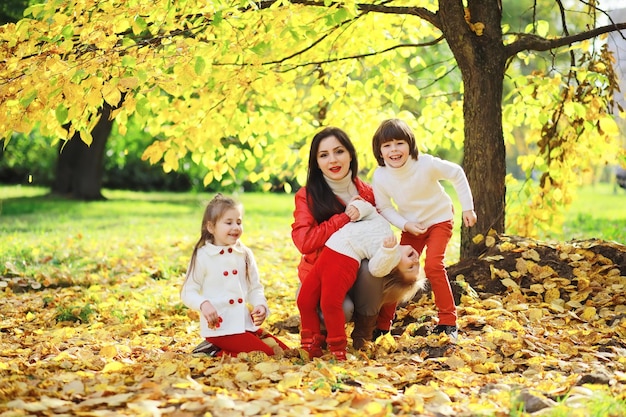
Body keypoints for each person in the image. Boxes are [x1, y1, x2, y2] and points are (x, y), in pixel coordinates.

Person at [291, 126, 398, 350]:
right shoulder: (307, 195)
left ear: (350, 154)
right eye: (324, 155)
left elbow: (381, 236)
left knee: (376, 265)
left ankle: (364, 334)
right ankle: (321, 335)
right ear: (316, 163)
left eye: (339, 151)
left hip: (358, 275)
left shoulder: (368, 192)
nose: (333, 160)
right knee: (341, 309)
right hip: (321, 275)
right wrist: (344, 218)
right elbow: (304, 242)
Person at [371, 118, 478, 340]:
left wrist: (468, 209)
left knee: (433, 265)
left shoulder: (425, 164)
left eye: (399, 143)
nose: (394, 150)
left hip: (439, 219)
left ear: (410, 144)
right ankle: (382, 326)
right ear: (380, 152)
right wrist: (405, 224)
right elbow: (384, 207)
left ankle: (448, 322)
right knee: (396, 268)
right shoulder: (381, 176)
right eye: (387, 145)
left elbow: (456, 173)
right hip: (412, 226)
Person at [297, 198, 424, 360]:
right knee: (304, 299)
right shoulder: (385, 227)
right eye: (418, 264)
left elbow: (376, 269)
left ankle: (338, 348)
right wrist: (357, 208)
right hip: (328, 253)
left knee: (330, 304)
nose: (415, 261)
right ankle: (311, 341)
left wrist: (388, 252)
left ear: (393, 269)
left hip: (344, 260)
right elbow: (370, 212)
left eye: (411, 268)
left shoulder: (386, 257)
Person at [181, 194, 289, 357]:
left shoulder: (244, 254)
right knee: (265, 355)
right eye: (229, 222)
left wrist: (260, 305)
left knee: (284, 352)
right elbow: (188, 292)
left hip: (244, 323)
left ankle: (219, 349)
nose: (236, 227)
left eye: (239, 222)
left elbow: (254, 288)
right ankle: (211, 353)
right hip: (220, 327)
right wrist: (203, 304)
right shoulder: (203, 256)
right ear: (211, 227)